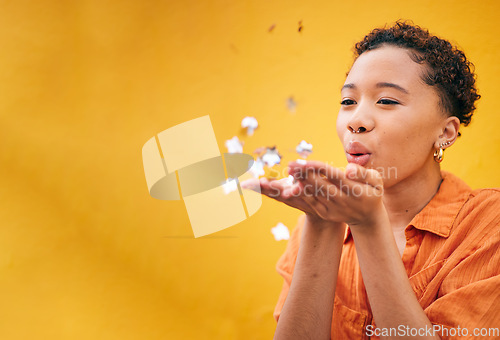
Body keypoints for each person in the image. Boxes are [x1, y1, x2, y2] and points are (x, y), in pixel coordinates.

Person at [241, 21, 499, 339]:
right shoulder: (317, 220)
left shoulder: (488, 227)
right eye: (348, 102)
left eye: (387, 101)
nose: (357, 121)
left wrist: (368, 224)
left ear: (445, 133)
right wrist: (322, 224)